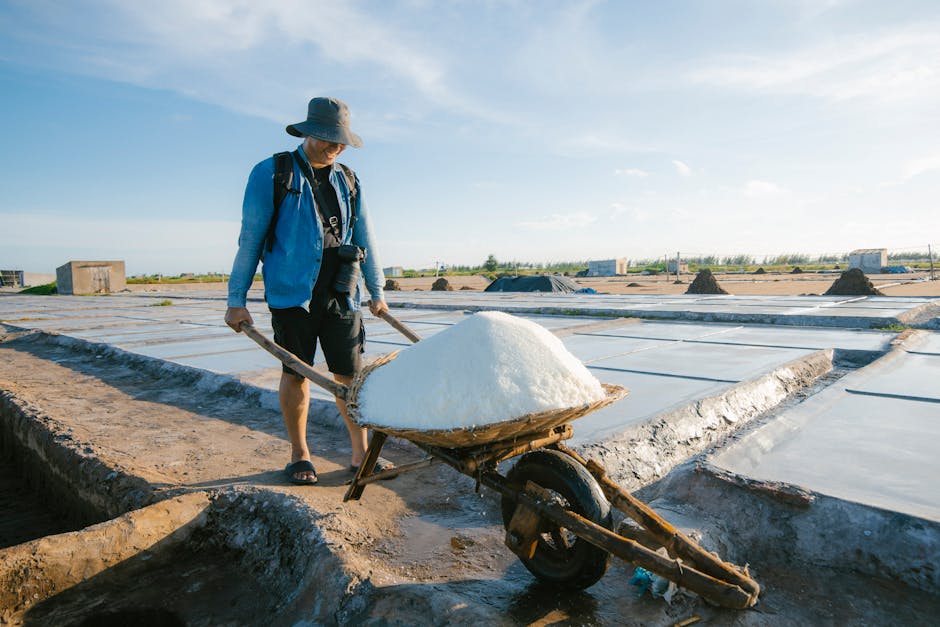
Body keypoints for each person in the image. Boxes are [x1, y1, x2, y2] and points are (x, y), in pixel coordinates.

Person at [225, 97, 390, 485]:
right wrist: (237, 301)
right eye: (328, 138)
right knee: (296, 373)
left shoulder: (349, 179)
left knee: (350, 376)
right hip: (292, 296)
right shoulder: (273, 173)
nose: (335, 146)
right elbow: (250, 239)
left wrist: (377, 290)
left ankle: (360, 454)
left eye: (341, 141)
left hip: (342, 294)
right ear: (308, 132)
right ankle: (300, 455)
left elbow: (366, 235)